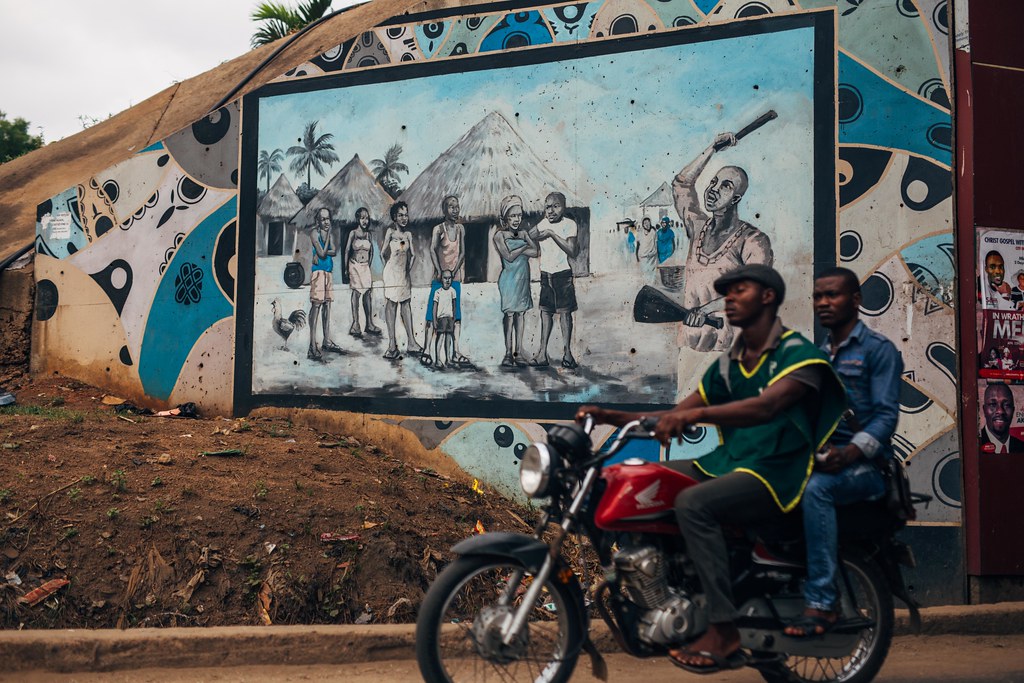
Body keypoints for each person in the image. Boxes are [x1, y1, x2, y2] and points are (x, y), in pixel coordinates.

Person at [576, 264, 845, 673]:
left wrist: (698, 413)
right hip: (729, 465)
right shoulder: (729, 364)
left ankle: (724, 628)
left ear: (768, 297)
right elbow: (677, 414)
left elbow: (766, 407)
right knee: (640, 483)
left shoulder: (798, 354)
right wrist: (609, 414)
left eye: (739, 289)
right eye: (727, 291)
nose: (729, 297)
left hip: (776, 472)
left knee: (693, 504)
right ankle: (673, 590)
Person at [783, 267, 903, 638]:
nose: (823, 303)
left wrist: (849, 453)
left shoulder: (878, 351)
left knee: (818, 490)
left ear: (856, 301)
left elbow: (885, 418)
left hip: (865, 469)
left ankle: (822, 602)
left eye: (832, 295)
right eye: (818, 296)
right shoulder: (819, 354)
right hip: (823, 460)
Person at [672, 132, 774, 351]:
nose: (713, 190)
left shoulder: (753, 241)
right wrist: (712, 148)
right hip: (690, 342)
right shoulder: (697, 227)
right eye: (713, 182)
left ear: (736, 198)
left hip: (730, 348)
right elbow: (682, 184)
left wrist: (706, 310)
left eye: (725, 186)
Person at [529, 192, 580, 369]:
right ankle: (542, 353)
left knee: (565, 314)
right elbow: (529, 235)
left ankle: (567, 354)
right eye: (547, 206)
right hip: (546, 274)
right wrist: (537, 233)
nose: (551, 210)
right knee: (545, 313)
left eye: (555, 206)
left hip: (562, 274)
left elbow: (572, 250)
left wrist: (551, 233)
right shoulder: (542, 223)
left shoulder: (569, 225)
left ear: (563, 207)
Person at [422, 196, 471, 367]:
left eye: (457, 207)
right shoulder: (438, 229)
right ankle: (427, 350)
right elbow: (433, 250)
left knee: (455, 316)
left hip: (454, 279)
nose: (455, 210)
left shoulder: (460, 229)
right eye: (451, 207)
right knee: (432, 315)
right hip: (439, 279)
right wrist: (440, 271)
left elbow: (462, 253)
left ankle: (455, 352)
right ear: (444, 210)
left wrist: (453, 273)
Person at [492, 195, 539, 367]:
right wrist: (525, 247)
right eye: (512, 216)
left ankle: (518, 351)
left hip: (523, 278)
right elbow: (509, 257)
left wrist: (524, 247)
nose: (516, 219)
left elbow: (536, 252)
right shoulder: (499, 235)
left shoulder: (524, 233)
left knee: (521, 314)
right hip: (509, 280)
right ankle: (507, 353)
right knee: (509, 315)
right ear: (505, 217)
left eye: (519, 215)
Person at [381, 201, 423, 360]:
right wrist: (388, 268)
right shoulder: (390, 232)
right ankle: (392, 345)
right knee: (391, 305)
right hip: (392, 273)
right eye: (400, 215)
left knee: (406, 305)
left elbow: (413, 255)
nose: (404, 218)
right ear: (394, 217)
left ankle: (412, 342)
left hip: (404, 275)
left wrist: (407, 270)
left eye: (406, 215)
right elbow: (383, 252)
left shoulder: (408, 235)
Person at [307, 208, 343, 362]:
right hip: (318, 273)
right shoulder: (314, 233)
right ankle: (312, 345)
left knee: (327, 306)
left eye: (328, 219)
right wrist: (327, 239)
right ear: (318, 221)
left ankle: (326, 340)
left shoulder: (329, 234)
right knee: (316, 306)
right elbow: (322, 253)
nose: (326, 222)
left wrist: (324, 250)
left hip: (328, 272)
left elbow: (334, 251)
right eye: (323, 219)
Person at [344, 207, 382, 338]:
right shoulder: (353, 233)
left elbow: (371, 252)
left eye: (367, 218)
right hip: (354, 265)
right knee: (356, 293)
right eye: (362, 218)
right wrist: (345, 268)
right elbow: (347, 250)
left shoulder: (368, 235)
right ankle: (355, 324)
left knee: (368, 293)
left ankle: (369, 323)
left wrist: (368, 264)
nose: (365, 221)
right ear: (358, 219)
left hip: (365, 266)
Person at [979, 383, 1024, 453]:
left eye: (1006, 405)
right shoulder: (975, 444)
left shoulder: (1021, 447)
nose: (1000, 411)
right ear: (984, 410)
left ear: (1013, 410)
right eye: (992, 404)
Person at [431, 270, 458, 369]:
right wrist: (434, 320)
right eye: (445, 278)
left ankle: (448, 359)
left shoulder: (453, 291)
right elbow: (434, 307)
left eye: (449, 278)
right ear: (441, 279)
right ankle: (438, 359)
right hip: (441, 318)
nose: (448, 280)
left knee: (448, 339)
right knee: (440, 338)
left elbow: (454, 305)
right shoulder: (437, 292)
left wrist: (454, 317)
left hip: (449, 318)